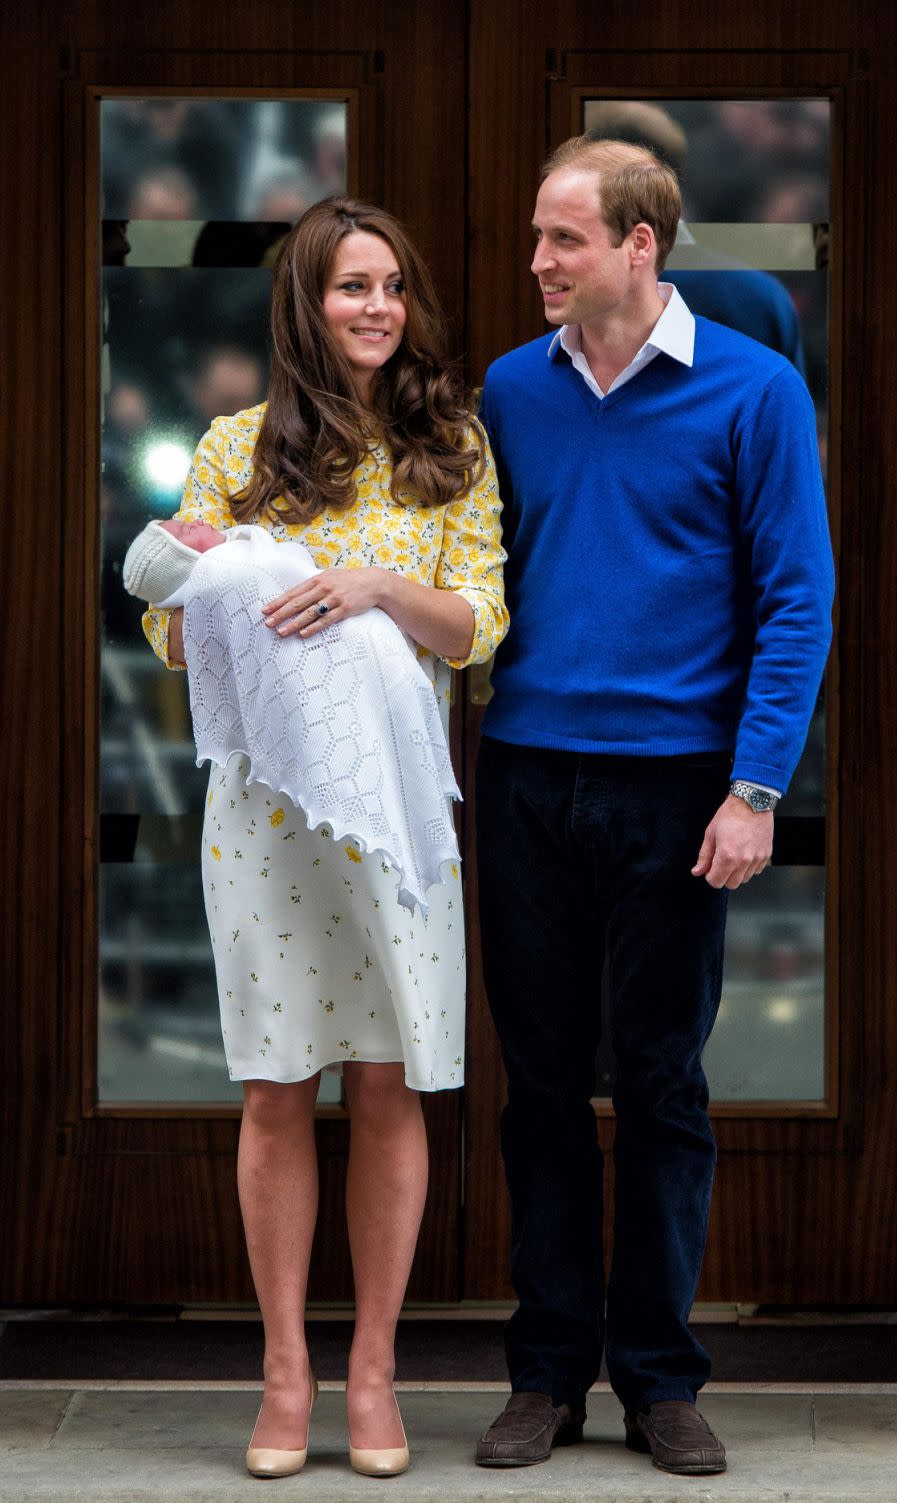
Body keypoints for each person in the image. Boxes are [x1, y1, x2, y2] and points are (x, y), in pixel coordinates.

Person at [474, 137, 833, 1477]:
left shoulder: (755, 389)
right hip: (527, 772)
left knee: (667, 1082)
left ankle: (662, 1375)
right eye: (535, 237)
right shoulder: (513, 388)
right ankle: (547, 1372)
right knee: (543, 1086)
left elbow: (798, 599)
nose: (538, 263)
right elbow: (455, 561)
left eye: (563, 238)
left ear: (639, 243)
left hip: (682, 786)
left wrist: (755, 788)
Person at [140, 196, 507, 1479]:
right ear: (307, 299)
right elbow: (173, 634)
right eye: (353, 286)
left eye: (393, 286)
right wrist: (195, 571)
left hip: (402, 821)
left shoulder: (449, 443)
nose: (378, 308)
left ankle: (374, 1375)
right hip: (267, 821)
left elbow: (478, 629)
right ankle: (285, 1373)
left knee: (391, 1084)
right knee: (276, 1086)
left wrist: (373, 588)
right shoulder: (235, 446)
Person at [124, 516, 462, 916]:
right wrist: (240, 597)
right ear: (184, 554)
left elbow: (477, 628)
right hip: (266, 785)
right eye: (180, 532)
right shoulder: (229, 505)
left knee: (399, 945)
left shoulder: (449, 456)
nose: (190, 521)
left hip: (380, 736)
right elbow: (167, 628)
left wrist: (382, 587)